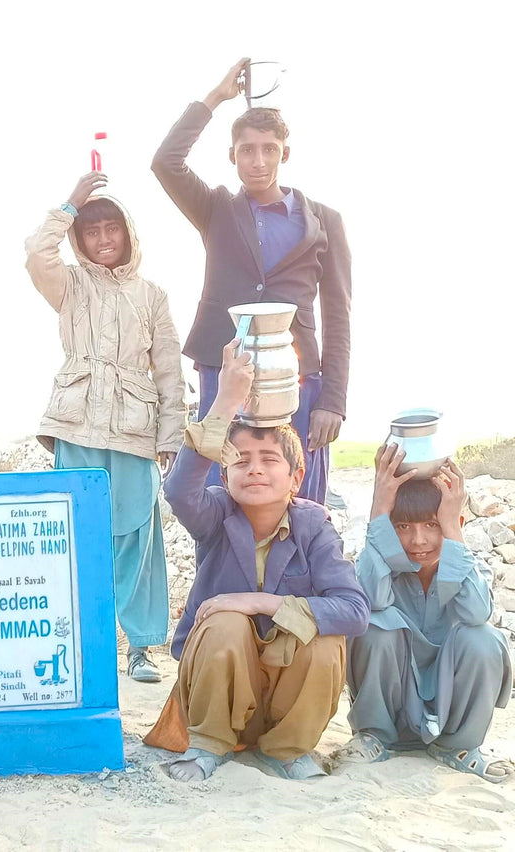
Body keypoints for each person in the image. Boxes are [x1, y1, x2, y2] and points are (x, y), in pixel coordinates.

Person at [143, 340, 369, 780]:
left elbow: (355, 610)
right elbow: (176, 492)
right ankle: (208, 747)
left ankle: (287, 751)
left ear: (296, 477)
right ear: (224, 475)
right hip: (215, 694)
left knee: (324, 636)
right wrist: (225, 401)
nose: (255, 470)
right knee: (225, 623)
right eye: (241, 461)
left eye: (269, 460)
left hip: (284, 700)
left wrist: (262, 603)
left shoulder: (313, 525)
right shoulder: (215, 515)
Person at [152, 57, 351, 505]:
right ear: (232, 155)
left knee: (298, 501)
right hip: (223, 376)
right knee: (218, 495)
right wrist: (216, 98)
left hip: (298, 379)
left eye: (268, 148)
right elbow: (165, 162)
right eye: (246, 149)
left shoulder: (325, 223)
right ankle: (225, 577)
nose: (257, 160)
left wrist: (333, 399)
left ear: (285, 152)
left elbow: (338, 317)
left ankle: (300, 578)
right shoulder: (216, 210)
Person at [26, 171, 187, 683]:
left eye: (110, 228)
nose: (102, 240)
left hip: (135, 431)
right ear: (79, 238)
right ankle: (80, 641)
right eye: (91, 232)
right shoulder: (68, 284)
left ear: (128, 233)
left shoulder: (153, 295)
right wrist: (70, 204)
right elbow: (36, 253)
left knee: (137, 534)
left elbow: (167, 367)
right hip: (75, 426)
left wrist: (171, 434)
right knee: (76, 534)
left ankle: (140, 647)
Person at [338, 446, 513, 781]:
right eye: (402, 526)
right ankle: (373, 736)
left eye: (432, 524)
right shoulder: (381, 562)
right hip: (395, 707)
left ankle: (459, 746)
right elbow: (372, 600)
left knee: (485, 639)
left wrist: (452, 530)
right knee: (374, 626)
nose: (418, 539)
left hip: (450, 709)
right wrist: (379, 513)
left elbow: (477, 613)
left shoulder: (467, 565)